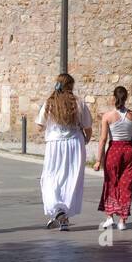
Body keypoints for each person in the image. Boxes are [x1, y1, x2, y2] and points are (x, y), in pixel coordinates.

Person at [36, 74, 93, 230]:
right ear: (71, 86)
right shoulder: (79, 103)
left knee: (50, 177)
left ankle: (58, 211)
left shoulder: (49, 103)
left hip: (55, 144)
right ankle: (63, 214)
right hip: (75, 144)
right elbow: (88, 127)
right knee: (70, 178)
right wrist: (85, 140)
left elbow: (39, 126)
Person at [94, 85, 132, 231]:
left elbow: (103, 139)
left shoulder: (108, 116)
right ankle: (122, 221)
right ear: (126, 98)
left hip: (114, 151)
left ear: (113, 98)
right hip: (128, 151)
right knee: (126, 186)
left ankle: (109, 217)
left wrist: (98, 160)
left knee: (111, 183)